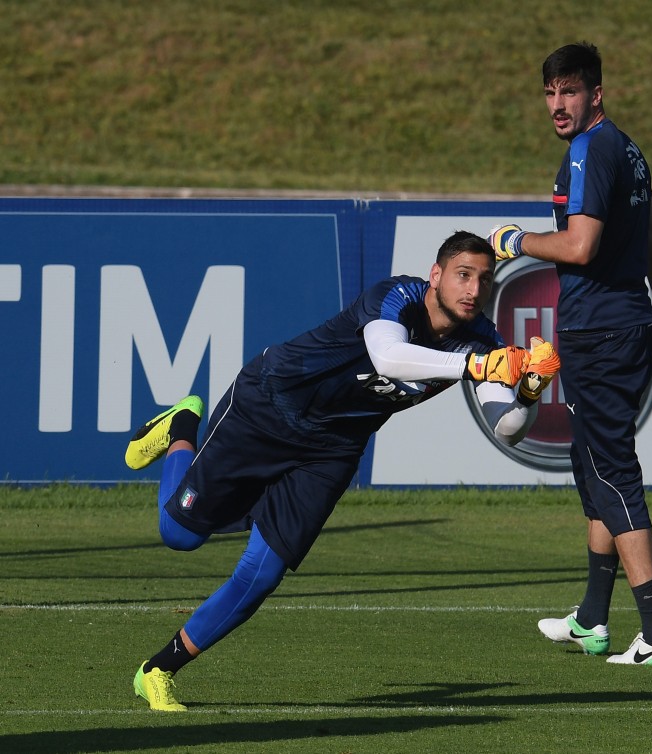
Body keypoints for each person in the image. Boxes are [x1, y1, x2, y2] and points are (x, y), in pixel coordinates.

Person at [125, 230, 560, 711]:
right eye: (462, 275)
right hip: (269, 406)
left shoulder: (482, 339)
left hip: (331, 449)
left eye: (484, 278)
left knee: (263, 574)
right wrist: (479, 366)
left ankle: (158, 669)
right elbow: (388, 357)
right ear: (436, 275)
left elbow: (508, 429)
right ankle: (182, 422)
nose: (474, 290)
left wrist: (530, 389)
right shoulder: (397, 296)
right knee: (178, 534)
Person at [488, 42, 652, 666]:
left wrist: (516, 240)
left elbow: (581, 247)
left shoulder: (590, 150)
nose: (559, 105)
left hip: (602, 336)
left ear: (596, 94)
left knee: (612, 474)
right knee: (592, 470)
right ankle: (591, 618)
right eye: (551, 92)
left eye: (570, 92)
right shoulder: (629, 150)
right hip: (623, 328)